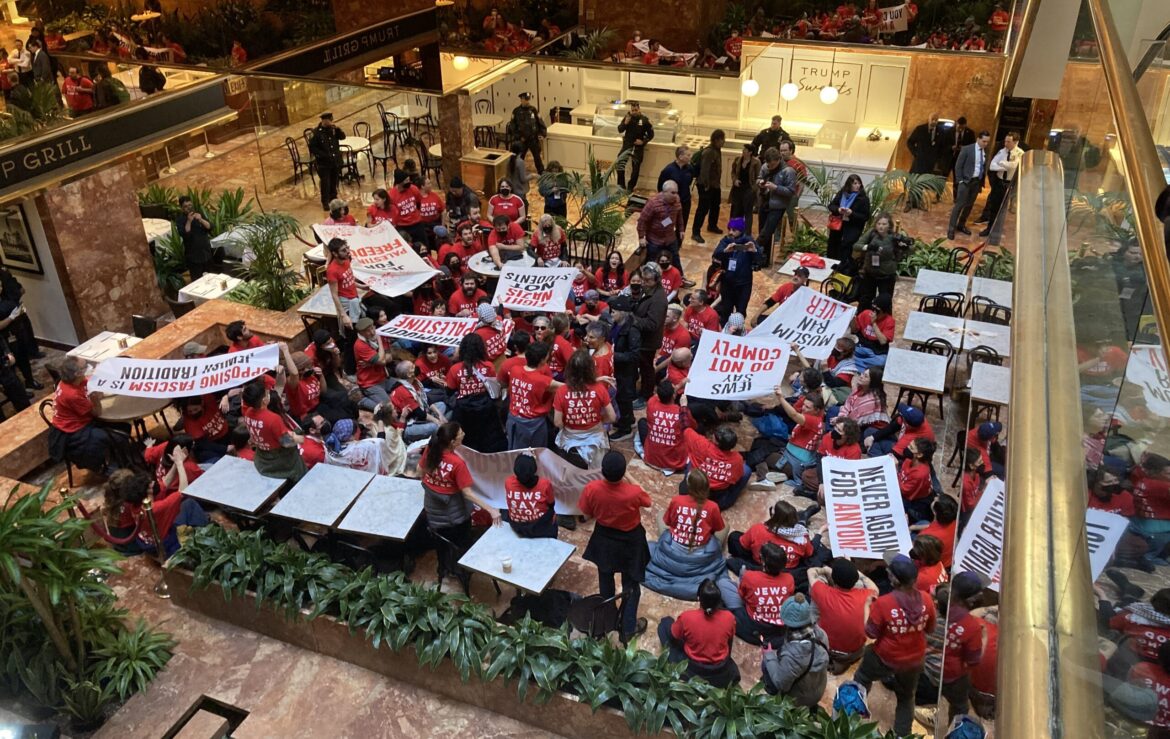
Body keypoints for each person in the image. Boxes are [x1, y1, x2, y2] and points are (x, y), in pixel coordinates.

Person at [853, 553, 937, 737]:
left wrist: (867, 606)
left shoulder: (883, 604)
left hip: (885, 657)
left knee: (861, 678)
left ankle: (852, 721)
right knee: (906, 697)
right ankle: (902, 734)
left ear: (894, 579)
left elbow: (870, 633)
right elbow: (930, 629)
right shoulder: (927, 599)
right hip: (914, 660)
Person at [579, 451, 651, 643]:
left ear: (602, 471)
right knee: (631, 584)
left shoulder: (592, 488)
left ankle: (607, 621)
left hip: (604, 538)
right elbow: (648, 501)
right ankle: (628, 628)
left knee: (605, 578)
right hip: (631, 542)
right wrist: (629, 477)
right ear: (623, 471)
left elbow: (585, 512)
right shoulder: (633, 492)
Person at [420, 422, 501, 589]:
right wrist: (491, 510)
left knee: (443, 545)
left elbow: (420, 469)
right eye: (460, 433)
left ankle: (444, 566)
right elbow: (468, 493)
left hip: (432, 513)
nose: (464, 433)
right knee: (461, 542)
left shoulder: (430, 450)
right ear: (452, 442)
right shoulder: (457, 464)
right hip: (454, 518)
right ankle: (462, 568)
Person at [644, 470, 730, 600]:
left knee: (661, 515)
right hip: (700, 557)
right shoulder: (713, 506)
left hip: (673, 552)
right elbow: (718, 528)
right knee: (726, 526)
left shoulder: (677, 500)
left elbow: (669, 522)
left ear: (688, 487)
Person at [102, 469, 210, 557]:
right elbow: (182, 491)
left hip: (138, 541)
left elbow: (163, 486)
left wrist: (175, 464)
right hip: (142, 545)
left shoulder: (128, 502)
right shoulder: (143, 507)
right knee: (188, 504)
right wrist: (179, 463)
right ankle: (205, 533)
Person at [658, 579, 741, 687]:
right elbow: (730, 638)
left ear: (698, 598)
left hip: (693, 667)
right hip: (719, 669)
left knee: (665, 625)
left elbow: (674, 635)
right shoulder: (729, 618)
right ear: (719, 600)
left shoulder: (687, 617)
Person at [48, 355, 119, 472]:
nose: (88, 368)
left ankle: (115, 454)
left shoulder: (74, 381)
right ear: (77, 374)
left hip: (76, 419)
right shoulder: (72, 395)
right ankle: (105, 466)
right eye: (85, 367)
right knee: (106, 435)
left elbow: (91, 384)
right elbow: (96, 412)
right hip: (73, 429)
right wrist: (95, 399)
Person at [760, 594, 830, 708]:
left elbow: (781, 683)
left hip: (800, 699)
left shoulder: (794, 655)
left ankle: (771, 693)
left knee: (766, 664)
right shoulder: (821, 634)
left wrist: (768, 655)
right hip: (818, 687)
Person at [718, 541, 793, 647]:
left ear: (763, 562)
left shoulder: (750, 577)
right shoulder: (789, 579)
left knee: (723, 583)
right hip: (779, 628)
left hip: (753, 624)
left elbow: (742, 596)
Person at [809, 558, 878, 673]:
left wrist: (825, 570)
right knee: (862, 584)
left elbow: (810, 572)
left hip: (825, 648)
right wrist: (857, 572)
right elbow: (874, 587)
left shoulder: (824, 592)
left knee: (817, 583)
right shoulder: (866, 595)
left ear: (834, 580)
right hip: (854, 652)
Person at [553, 349, 615, 468]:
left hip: (569, 439)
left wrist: (572, 422)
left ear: (569, 369)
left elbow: (557, 422)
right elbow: (612, 417)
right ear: (591, 369)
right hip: (595, 438)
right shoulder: (600, 389)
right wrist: (599, 420)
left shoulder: (561, 391)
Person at [446, 332, 505, 453]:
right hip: (486, 410)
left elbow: (450, 389)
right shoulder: (488, 366)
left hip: (463, 412)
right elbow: (493, 388)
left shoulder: (455, 369)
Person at [241, 379, 306, 482]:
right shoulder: (273, 419)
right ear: (264, 400)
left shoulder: (248, 413)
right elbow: (287, 442)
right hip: (279, 462)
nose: (269, 393)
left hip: (262, 460)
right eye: (267, 393)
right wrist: (301, 438)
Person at [682, 422, 750, 510]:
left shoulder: (701, 444)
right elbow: (736, 478)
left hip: (696, 490)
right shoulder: (737, 460)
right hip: (718, 500)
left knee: (691, 460)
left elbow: (687, 430)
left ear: (716, 442)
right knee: (746, 470)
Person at [504, 341, 559, 449]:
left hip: (513, 420)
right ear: (543, 360)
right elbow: (568, 387)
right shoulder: (543, 381)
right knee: (537, 454)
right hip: (534, 424)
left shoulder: (514, 370)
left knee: (514, 452)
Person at [605, 297, 641, 441]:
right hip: (618, 368)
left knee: (624, 398)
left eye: (613, 312)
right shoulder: (616, 324)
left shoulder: (632, 330)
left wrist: (613, 355)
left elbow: (634, 355)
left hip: (626, 371)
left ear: (623, 312)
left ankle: (625, 429)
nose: (611, 314)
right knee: (621, 397)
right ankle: (629, 420)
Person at [852, 213, 905, 311]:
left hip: (887, 275)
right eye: (879, 223)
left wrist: (904, 246)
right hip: (870, 272)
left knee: (885, 301)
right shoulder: (871, 233)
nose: (881, 226)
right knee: (866, 298)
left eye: (884, 224)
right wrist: (868, 247)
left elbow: (909, 250)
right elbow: (856, 246)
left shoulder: (894, 236)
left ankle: (884, 323)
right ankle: (862, 320)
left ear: (889, 226)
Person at [631, 264, 668, 403]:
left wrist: (632, 319)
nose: (644, 283)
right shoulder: (649, 290)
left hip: (648, 342)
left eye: (648, 280)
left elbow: (652, 324)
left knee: (647, 369)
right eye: (643, 279)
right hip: (641, 339)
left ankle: (646, 395)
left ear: (656, 280)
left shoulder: (658, 299)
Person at [976, 131, 1021, 241]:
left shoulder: (1020, 153)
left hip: (1010, 184)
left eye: (1009, 142)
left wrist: (1002, 164)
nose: (1006, 144)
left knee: (1003, 210)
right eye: (1005, 141)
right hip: (999, 183)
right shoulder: (1002, 151)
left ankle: (997, 232)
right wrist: (1006, 166)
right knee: (994, 207)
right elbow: (992, 166)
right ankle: (989, 228)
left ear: (1015, 142)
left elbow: (1015, 165)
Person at [756, 147, 797, 266]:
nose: (770, 167)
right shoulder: (765, 166)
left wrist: (776, 188)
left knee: (766, 232)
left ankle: (752, 252)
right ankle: (763, 259)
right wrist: (760, 183)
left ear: (779, 160)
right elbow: (759, 178)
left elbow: (791, 191)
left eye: (773, 165)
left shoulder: (788, 171)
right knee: (762, 230)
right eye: (768, 165)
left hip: (778, 206)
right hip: (764, 202)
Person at [637, 379, 690, 473]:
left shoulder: (651, 403)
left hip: (651, 458)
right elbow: (689, 428)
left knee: (642, 422)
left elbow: (658, 395)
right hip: (674, 462)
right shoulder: (682, 413)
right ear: (674, 395)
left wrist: (677, 386)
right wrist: (684, 406)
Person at [947, 130, 991, 240]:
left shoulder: (985, 151)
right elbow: (958, 166)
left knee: (969, 205)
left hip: (976, 183)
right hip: (966, 182)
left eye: (987, 142)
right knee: (959, 205)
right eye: (984, 141)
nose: (985, 144)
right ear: (978, 139)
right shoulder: (967, 149)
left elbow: (983, 166)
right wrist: (960, 181)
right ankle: (951, 229)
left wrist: (981, 182)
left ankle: (961, 225)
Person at [712, 218, 758, 322]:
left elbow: (760, 260)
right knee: (726, 311)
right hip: (728, 283)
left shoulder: (749, 242)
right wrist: (725, 251)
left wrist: (754, 251)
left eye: (734, 230)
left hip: (743, 284)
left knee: (740, 312)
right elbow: (716, 254)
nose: (730, 232)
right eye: (729, 229)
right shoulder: (725, 241)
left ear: (741, 230)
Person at [502, 453, 557, 538]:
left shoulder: (508, 482)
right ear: (535, 469)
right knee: (552, 514)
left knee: (504, 510)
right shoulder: (544, 484)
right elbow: (551, 503)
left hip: (516, 525)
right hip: (539, 526)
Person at [638, 180, 683, 278]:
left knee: (675, 257)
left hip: (670, 237)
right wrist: (641, 237)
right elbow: (642, 220)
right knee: (652, 260)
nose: (675, 195)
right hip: (655, 239)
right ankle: (649, 278)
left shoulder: (677, 201)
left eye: (676, 192)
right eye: (673, 193)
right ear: (664, 192)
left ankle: (680, 278)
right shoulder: (653, 203)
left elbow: (679, 216)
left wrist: (681, 229)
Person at [826, 174, 872, 263]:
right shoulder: (842, 193)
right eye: (855, 183)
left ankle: (843, 265)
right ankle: (831, 262)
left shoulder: (863, 199)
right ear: (849, 184)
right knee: (833, 243)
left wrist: (851, 213)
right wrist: (838, 210)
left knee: (846, 245)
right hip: (838, 224)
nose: (857, 186)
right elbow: (831, 206)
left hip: (853, 226)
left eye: (859, 183)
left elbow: (865, 217)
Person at [691, 130, 725, 243]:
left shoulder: (717, 150)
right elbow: (704, 170)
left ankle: (712, 225)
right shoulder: (709, 152)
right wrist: (706, 185)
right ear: (716, 140)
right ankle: (695, 232)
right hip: (706, 185)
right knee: (703, 208)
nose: (723, 142)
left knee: (716, 206)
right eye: (722, 140)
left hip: (715, 185)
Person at [308, 112, 346, 212]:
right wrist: (323, 155)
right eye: (327, 120)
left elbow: (342, 137)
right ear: (323, 120)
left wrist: (337, 129)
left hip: (335, 161)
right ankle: (325, 202)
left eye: (330, 120)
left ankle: (333, 200)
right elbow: (312, 147)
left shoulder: (333, 130)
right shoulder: (317, 132)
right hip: (324, 163)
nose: (329, 122)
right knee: (325, 184)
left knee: (334, 182)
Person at [657, 147, 694, 240]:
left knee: (682, 225)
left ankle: (677, 245)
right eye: (688, 155)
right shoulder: (668, 170)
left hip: (685, 202)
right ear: (680, 156)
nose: (690, 157)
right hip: (670, 204)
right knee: (667, 222)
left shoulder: (689, 168)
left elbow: (689, 182)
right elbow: (660, 187)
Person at [324, 238, 361, 331]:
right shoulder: (332, 271)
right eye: (343, 250)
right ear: (335, 254)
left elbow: (349, 279)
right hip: (346, 303)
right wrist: (343, 315)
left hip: (354, 297)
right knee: (352, 330)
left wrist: (361, 286)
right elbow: (334, 295)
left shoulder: (347, 259)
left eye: (347, 248)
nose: (347, 251)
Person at [852, 294, 896, 371]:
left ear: (885, 312)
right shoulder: (865, 313)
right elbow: (854, 330)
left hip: (876, 352)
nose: (874, 312)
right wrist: (852, 318)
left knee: (882, 361)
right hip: (861, 346)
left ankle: (857, 364)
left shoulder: (890, 321)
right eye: (873, 308)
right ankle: (863, 366)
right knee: (845, 349)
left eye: (878, 311)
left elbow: (883, 341)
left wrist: (874, 323)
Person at [616, 101, 654, 191]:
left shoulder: (644, 120)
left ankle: (630, 187)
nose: (634, 112)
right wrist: (625, 123)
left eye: (636, 110)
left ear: (639, 109)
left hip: (638, 148)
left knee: (636, 168)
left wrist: (643, 142)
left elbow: (651, 134)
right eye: (632, 110)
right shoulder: (627, 117)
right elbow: (620, 130)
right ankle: (621, 186)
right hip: (627, 145)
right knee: (620, 163)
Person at [175, 195, 213, 280]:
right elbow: (185, 234)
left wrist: (201, 220)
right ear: (181, 208)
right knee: (197, 281)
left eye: (190, 205)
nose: (188, 208)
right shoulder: (180, 220)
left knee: (211, 278)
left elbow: (209, 227)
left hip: (206, 253)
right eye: (185, 206)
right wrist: (189, 221)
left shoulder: (199, 214)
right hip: (193, 257)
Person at [508, 91, 547, 174]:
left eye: (528, 99)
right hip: (522, 139)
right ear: (521, 99)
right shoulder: (516, 111)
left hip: (533, 139)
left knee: (537, 157)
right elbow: (512, 126)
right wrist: (518, 136)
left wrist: (542, 133)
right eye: (525, 99)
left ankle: (541, 172)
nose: (527, 101)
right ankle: (515, 172)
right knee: (519, 157)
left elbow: (540, 122)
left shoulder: (533, 110)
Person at [729, 144, 761, 236]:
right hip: (738, 189)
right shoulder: (737, 160)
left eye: (745, 150)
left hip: (749, 190)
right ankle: (735, 231)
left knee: (748, 212)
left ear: (750, 152)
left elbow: (758, 176)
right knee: (736, 211)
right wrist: (735, 180)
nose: (743, 151)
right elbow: (733, 172)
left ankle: (747, 233)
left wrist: (754, 189)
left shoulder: (756, 162)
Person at [906, 113, 942, 178]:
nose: (934, 121)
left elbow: (941, 146)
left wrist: (937, 158)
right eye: (932, 119)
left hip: (930, 163)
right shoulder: (920, 129)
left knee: (925, 183)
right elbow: (910, 142)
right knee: (914, 180)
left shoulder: (940, 131)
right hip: (919, 161)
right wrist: (916, 153)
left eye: (936, 120)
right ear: (928, 119)